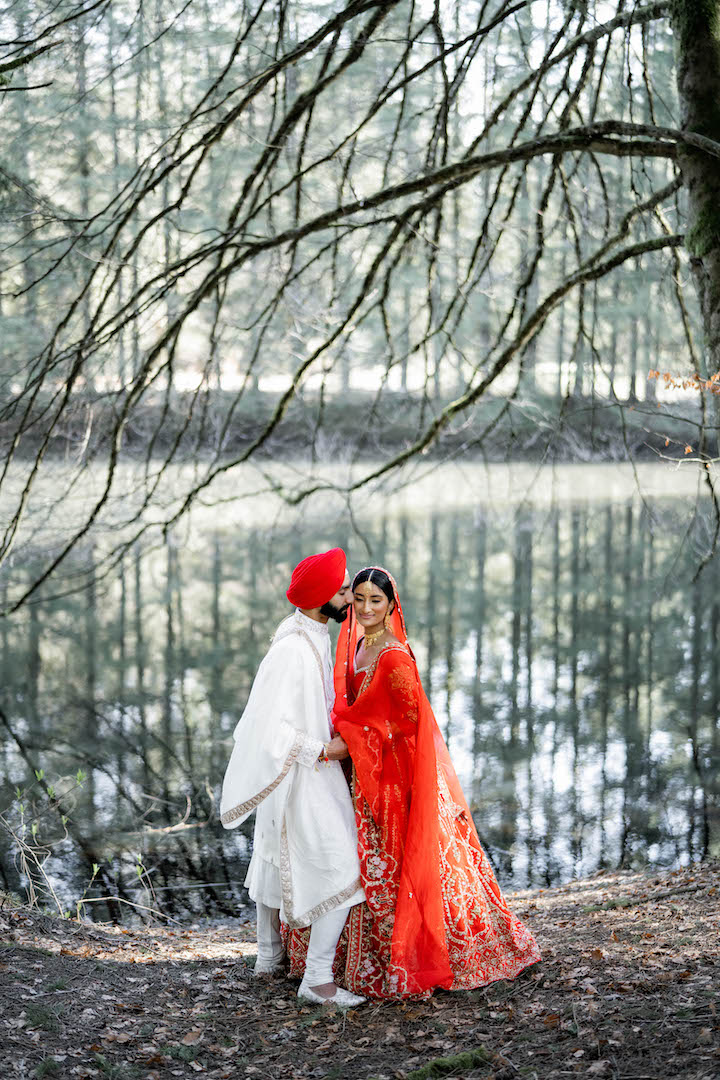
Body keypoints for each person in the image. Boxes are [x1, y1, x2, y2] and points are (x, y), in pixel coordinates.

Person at [331, 566, 541, 999]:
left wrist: (355, 740)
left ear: (391, 604)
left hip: (397, 779)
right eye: (359, 598)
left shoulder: (394, 656)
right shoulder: (358, 645)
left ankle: (418, 954)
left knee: (406, 863)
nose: (366, 608)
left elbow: (409, 723)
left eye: (375, 600)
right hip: (365, 774)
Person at [220, 547, 365, 1008]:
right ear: (322, 598)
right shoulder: (291, 650)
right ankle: (317, 981)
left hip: (302, 771)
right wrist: (324, 750)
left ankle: (269, 958)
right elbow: (268, 727)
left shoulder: (312, 634)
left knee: (272, 857)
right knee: (342, 866)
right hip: (303, 772)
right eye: (344, 591)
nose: (351, 598)